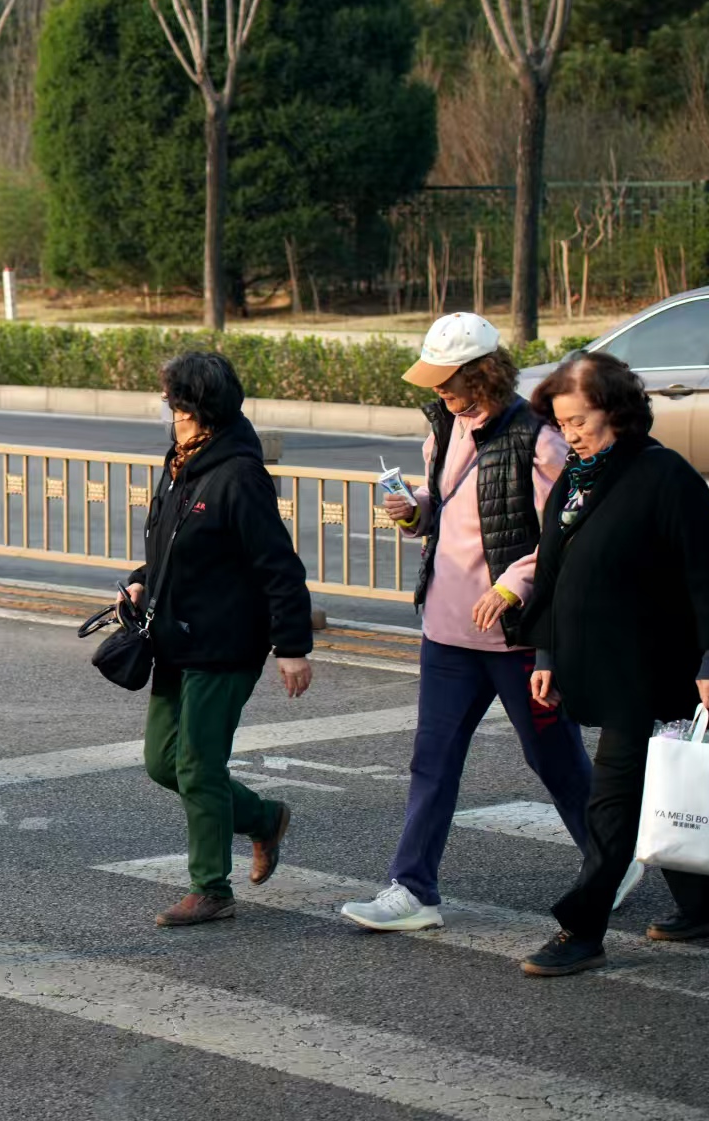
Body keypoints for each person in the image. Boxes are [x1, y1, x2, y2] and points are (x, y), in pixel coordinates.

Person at [340, 313, 592, 933]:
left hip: (515, 639)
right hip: (446, 632)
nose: (438, 391)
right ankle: (413, 889)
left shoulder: (540, 440)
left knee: (554, 760)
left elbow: (569, 534)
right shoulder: (443, 429)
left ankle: (613, 861)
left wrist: (513, 584)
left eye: (446, 380)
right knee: (432, 761)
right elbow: (446, 512)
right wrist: (413, 511)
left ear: (482, 373)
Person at [517, 350, 709, 977]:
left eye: (580, 421)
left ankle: (582, 926)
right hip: (596, 657)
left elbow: (708, 572)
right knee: (662, 783)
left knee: (614, 799)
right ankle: (705, 904)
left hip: (656, 664)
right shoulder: (576, 477)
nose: (570, 435)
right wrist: (546, 653)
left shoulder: (664, 475)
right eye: (561, 424)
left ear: (618, 412)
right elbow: (552, 571)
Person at [123, 352, 314, 928]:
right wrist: (140, 580)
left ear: (193, 409)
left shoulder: (237, 474)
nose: (165, 410)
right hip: (176, 638)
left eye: (170, 400)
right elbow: (175, 546)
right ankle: (262, 817)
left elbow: (279, 566)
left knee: (199, 765)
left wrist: (293, 648)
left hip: (226, 644)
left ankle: (211, 888)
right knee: (163, 763)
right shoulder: (183, 462)